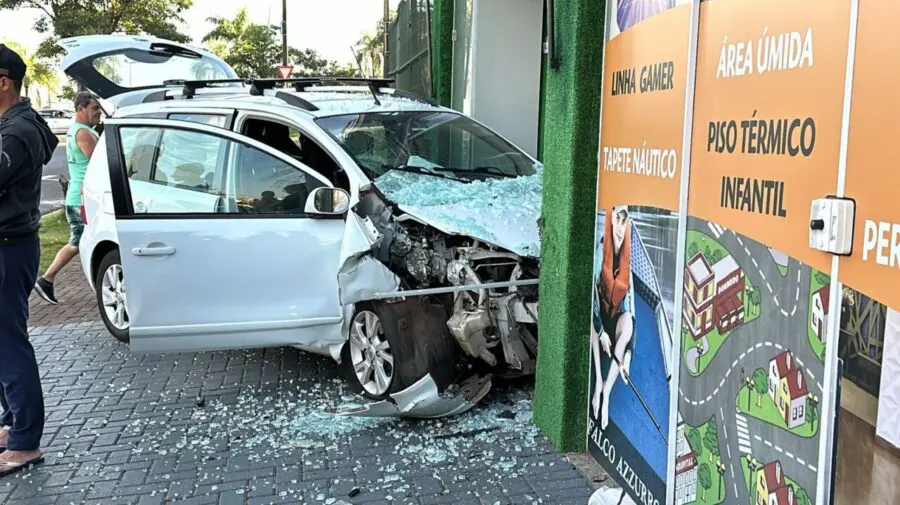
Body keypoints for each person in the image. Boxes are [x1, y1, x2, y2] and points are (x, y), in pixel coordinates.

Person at [0, 43, 58, 476]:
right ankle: (11, 423)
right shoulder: (18, 123)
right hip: (12, 244)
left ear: (3, 82)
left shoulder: (16, 132)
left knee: (8, 344)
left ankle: (24, 443)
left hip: (7, 248)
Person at [33, 91, 101, 305]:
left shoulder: (77, 131)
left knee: (82, 241)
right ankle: (46, 279)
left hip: (80, 196)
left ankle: (48, 280)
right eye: (94, 109)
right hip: (82, 198)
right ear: (81, 109)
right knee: (77, 242)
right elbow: (99, 164)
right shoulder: (83, 134)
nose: (98, 113)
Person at [590, 206, 636, 430]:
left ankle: (606, 390)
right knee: (591, 325)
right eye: (617, 220)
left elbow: (630, 315)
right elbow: (590, 298)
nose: (620, 227)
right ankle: (598, 380)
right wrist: (601, 333)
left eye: (624, 222)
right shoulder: (601, 250)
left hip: (613, 318)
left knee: (628, 322)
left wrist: (627, 355)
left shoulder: (626, 262)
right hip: (597, 319)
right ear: (611, 222)